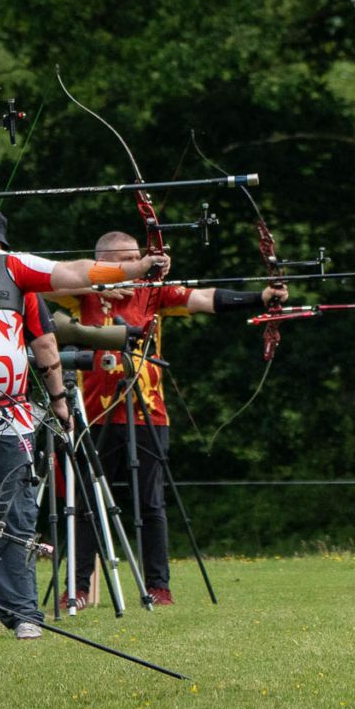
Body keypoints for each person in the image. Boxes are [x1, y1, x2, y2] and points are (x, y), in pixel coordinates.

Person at [0, 202, 161, 641]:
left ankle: (22, 612)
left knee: (15, 521)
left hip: (9, 419)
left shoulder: (13, 267)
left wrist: (135, 269)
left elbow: (74, 273)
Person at [62, 230, 286, 609]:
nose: (133, 266)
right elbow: (42, 287)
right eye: (122, 261)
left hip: (148, 412)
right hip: (94, 413)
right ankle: (79, 588)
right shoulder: (79, 292)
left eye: (136, 258)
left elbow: (204, 299)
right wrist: (98, 286)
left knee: (150, 504)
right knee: (86, 505)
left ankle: (158, 587)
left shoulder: (153, 293)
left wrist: (260, 298)